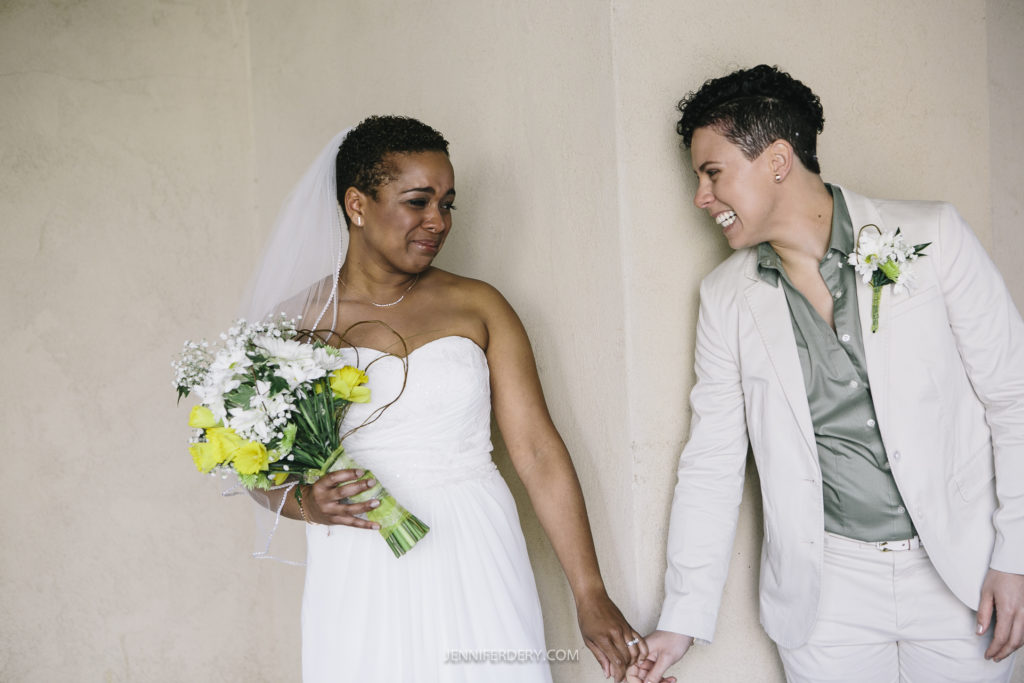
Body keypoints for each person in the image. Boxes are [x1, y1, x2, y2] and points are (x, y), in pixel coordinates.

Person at [631, 65, 1024, 683]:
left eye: (713, 174)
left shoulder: (933, 236)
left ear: (778, 161)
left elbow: (1013, 399)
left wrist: (1016, 556)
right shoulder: (725, 299)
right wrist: (680, 621)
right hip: (826, 594)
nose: (701, 198)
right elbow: (712, 460)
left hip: (964, 575)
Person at [242, 116, 644, 682]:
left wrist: (590, 592)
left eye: (448, 203)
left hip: (476, 543)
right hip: (363, 558)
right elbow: (257, 471)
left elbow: (535, 451)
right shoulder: (294, 330)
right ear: (357, 204)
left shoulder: (479, 306)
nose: (438, 222)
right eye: (418, 202)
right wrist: (308, 503)